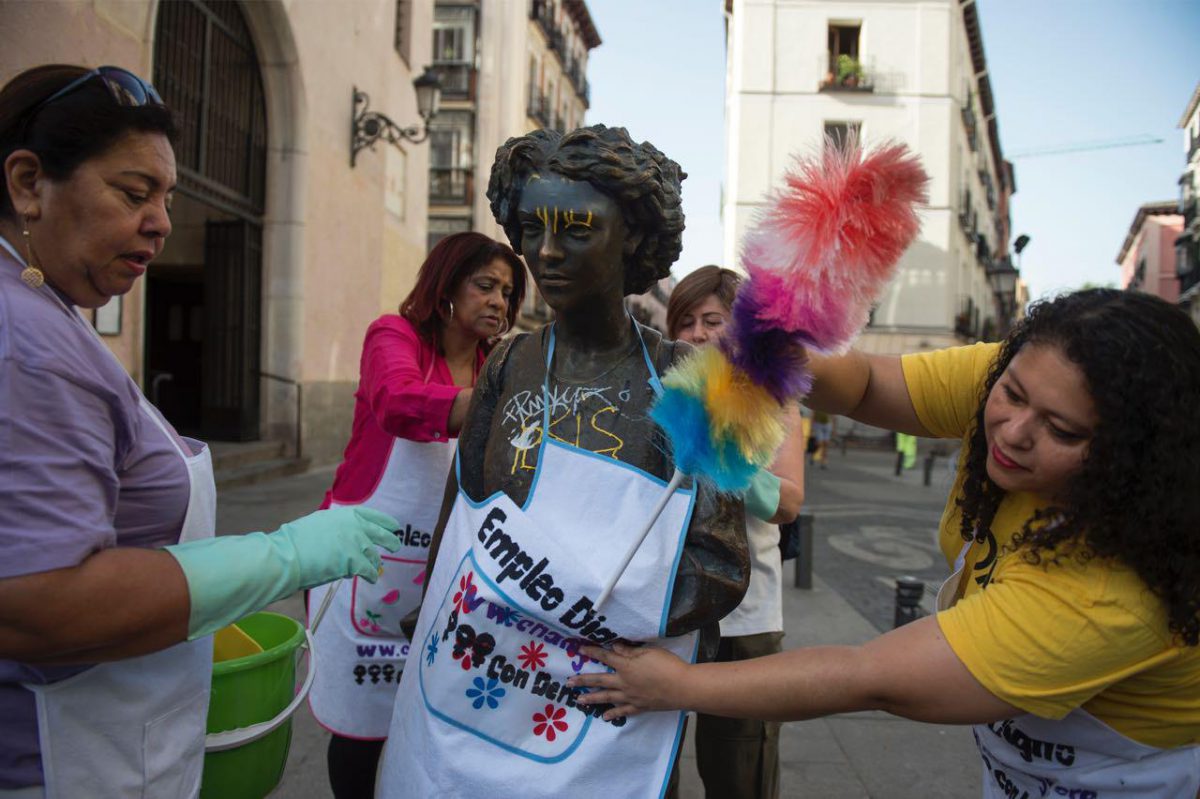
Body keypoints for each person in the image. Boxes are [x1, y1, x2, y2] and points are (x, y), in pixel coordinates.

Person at [571, 289, 1200, 798]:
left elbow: (869, 677)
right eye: (1009, 394)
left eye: (1060, 429)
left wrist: (678, 687)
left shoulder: (1110, 594)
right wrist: (765, 355)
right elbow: (868, 383)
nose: (1013, 429)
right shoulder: (1024, 375)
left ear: (1131, 459)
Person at [0, 65, 398, 798]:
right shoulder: (24, 341)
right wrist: (279, 557)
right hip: (62, 762)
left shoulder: (48, 312)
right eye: (133, 192)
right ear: (29, 183)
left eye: (167, 198)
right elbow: (36, 601)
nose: (161, 221)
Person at [377, 125, 750, 798]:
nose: (545, 251)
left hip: (608, 697)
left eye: (577, 229)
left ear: (632, 236)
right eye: (531, 227)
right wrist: (433, 610)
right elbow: (461, 509)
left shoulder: (693, 378)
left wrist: (575, 608)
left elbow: (720, 564)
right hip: (486, 677)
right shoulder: (510, 365)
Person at [309, 231, 525, 799]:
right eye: (485, 285)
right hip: (370, 564)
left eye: (507, 291)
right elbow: (398, 402)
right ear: (445, 284)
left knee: (437, 718)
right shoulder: (394, 335)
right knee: (365, 727)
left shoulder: (494, 364)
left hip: (449, 573)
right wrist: (516, 399)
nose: (499, 302)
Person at [666, 265, 804, 799]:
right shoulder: (658, 397)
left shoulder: (776, 398)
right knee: (648, 765)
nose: (697, 334)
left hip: (746, 616)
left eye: (712, 320)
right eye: (685, 322)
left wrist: (726, 460)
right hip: (661, 612)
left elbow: (789, 500)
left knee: (740, 773)